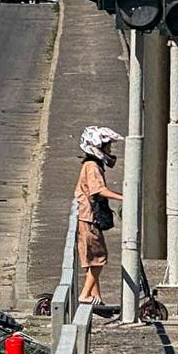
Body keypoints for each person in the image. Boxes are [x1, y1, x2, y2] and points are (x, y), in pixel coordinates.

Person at [75, 125, 124, 306]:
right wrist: (123, 197)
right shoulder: (92, 166)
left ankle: (96, 298)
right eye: (107, 147)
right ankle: (85, 294)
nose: (109, 151)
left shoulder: (90, 165)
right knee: (98, 259)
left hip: (87, 217)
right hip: (89, 218)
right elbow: (98, 189)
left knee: (93, 258)